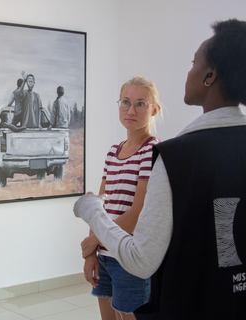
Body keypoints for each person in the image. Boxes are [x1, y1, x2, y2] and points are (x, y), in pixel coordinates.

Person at [73, 19, 246, 319]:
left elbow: (141, 259)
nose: (189, 70)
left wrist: (91, 211)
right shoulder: (150, 153)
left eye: (194, 62)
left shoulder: (175, 155)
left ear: (210, 75)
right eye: (125, 102)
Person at [79, 76, 161, 320]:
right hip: (104, 255)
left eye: (140, 104)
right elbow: (99, 210)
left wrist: (92, 243)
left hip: (129, 256)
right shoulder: (113, 153)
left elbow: (137, 215)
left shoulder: (152, 150)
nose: (131, 110)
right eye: (125, 102)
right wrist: (92, 252)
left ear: (154, 109)